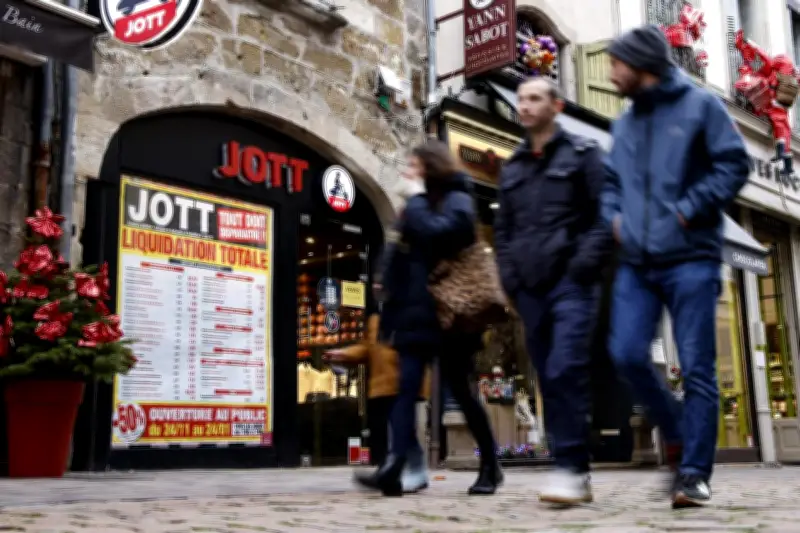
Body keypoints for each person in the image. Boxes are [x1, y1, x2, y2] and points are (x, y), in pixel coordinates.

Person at [601, 25, 750, 508]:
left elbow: (734, 165)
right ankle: (676, 425)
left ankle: (693, 474)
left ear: (641, 64)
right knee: (624, 352)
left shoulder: (700, 105)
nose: (610, 72)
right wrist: (613, 219)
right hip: (638, 260)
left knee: (699, 370)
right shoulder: (622, 123)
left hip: (691, 256)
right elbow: (608, 183)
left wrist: (690, 207)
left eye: (617, 63)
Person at [494, 77, 612, 505]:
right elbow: (503, 230)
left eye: (534, 99)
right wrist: (510, 278)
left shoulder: (583, 154)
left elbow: (604, 216)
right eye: (521, 98)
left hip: (571, 283)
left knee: (565, 368)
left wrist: (581, 265)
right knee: (549, 376)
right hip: (530, 288)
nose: (524, 105)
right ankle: (573, 470)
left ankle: (571, 468)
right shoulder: (513, 167)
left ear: (555, 106)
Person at [370, 140, 502, 497]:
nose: (405, 173)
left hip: (451, 311)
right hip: (416, 311)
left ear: (429, 169)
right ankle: (396, 462)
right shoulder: (412, 207)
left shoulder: (456, 196)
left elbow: (444, 232)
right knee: (405, 388)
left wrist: (413, 202)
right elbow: (398, 252)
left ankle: (490, 464)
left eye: (413, 166)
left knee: (460, 390)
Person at [325, 310, 431, 493]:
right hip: (381, 385)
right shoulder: (376, 319)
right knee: (399, 429)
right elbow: (368, 347)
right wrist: (344, 354)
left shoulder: (408, 311)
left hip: (402, 381)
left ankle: (403, 470)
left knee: (400, 427)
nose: (377, 287)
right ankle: (407, 470)